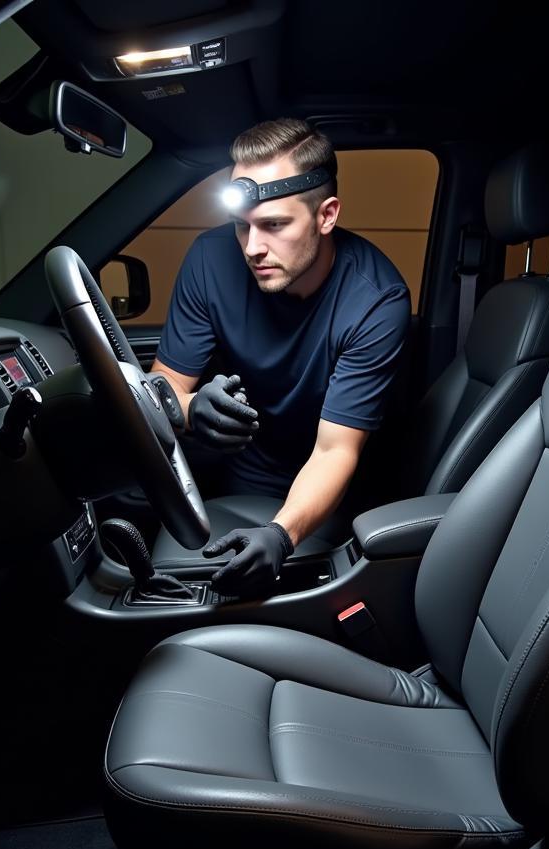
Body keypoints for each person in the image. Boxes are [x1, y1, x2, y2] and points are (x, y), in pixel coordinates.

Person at [151, 118, 411, 596]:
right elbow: (163, 389)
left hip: (320, 502)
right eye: (240, 226)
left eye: (274, 225)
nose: (252, 247)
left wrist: (281, 534)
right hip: (233, 476)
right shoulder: (210, 259)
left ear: (326, 215)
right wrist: (190, 409)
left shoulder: (376, 299)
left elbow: (336, 451)